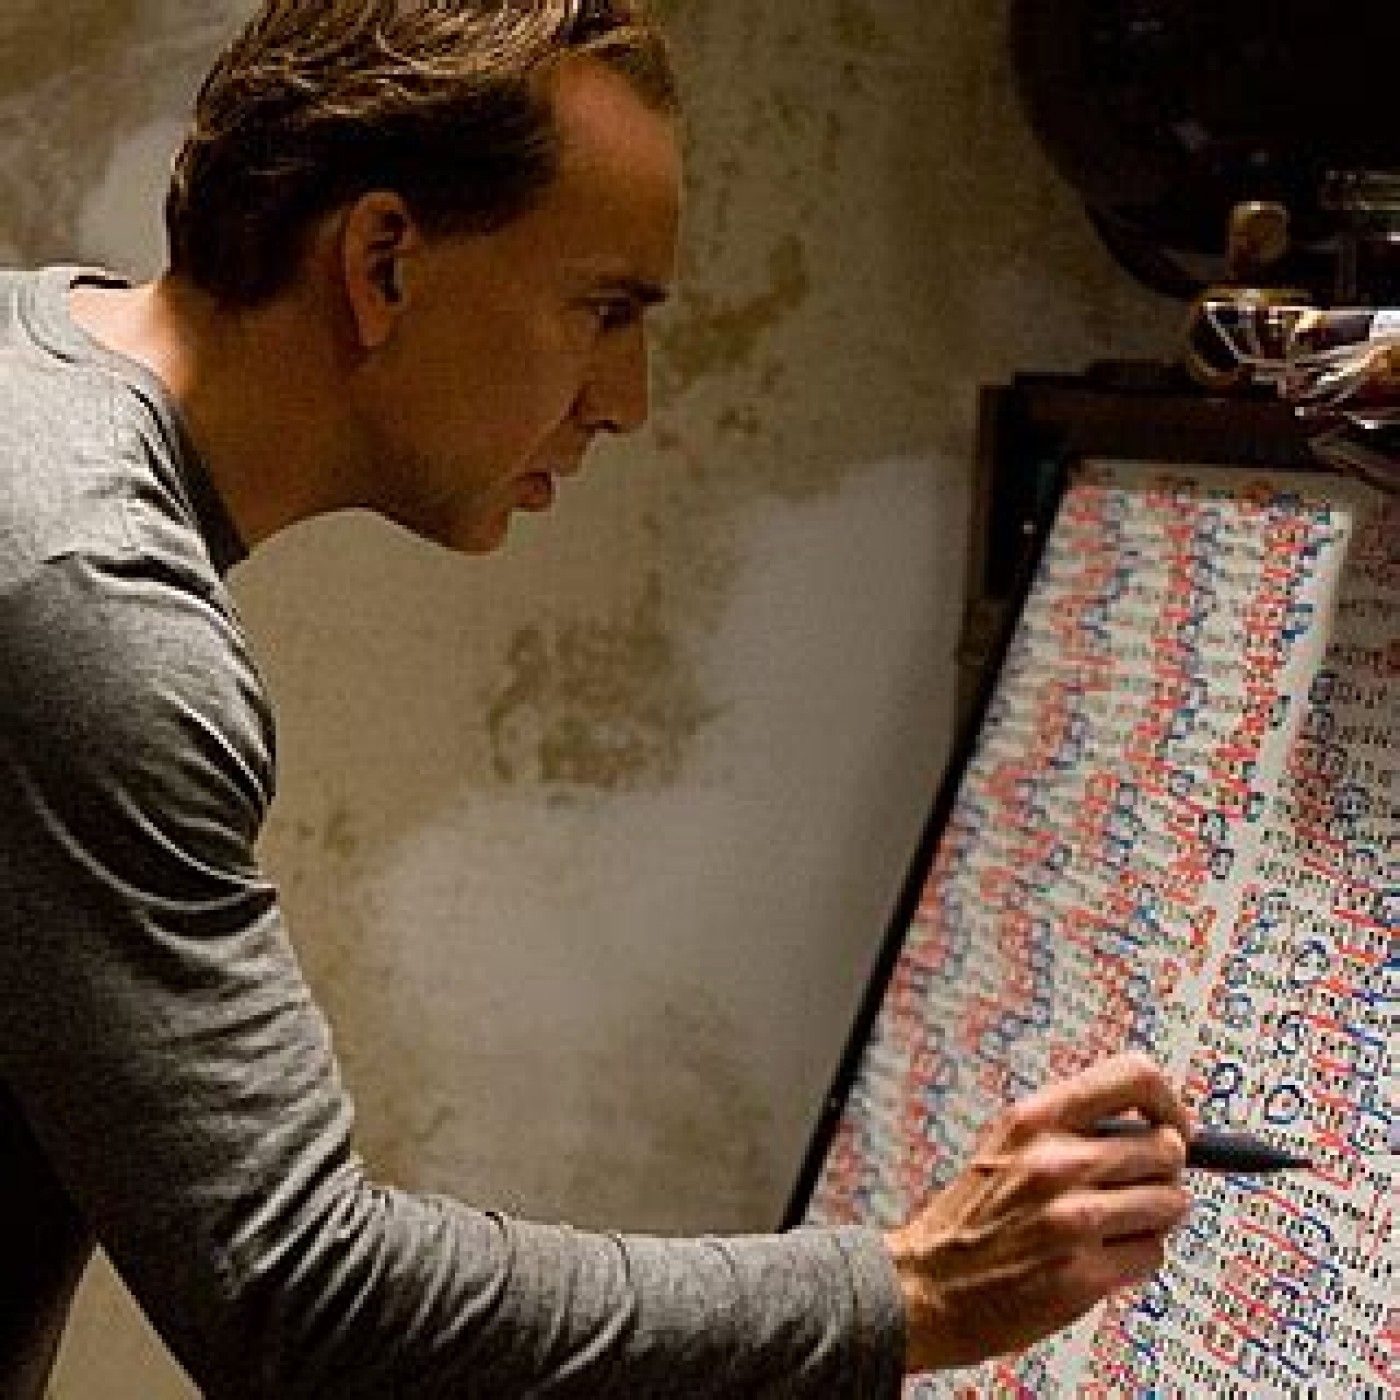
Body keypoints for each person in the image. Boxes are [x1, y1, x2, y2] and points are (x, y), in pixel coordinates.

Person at [0, 1, 1192, 1394]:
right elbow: (302, 1302)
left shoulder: (31, 357)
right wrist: (919, 1288)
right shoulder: (87, 599)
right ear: (382, 262)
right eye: (605, 310)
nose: (625, 397)